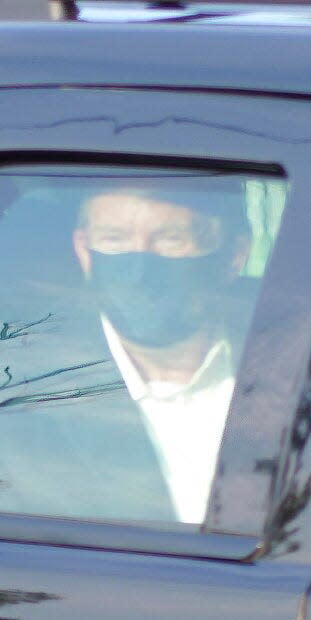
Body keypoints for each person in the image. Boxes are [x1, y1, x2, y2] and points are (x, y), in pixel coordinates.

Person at [73, 185, 252, 523]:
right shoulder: (18, 399)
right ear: (84, 252)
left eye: (170, 239)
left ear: (234, 256)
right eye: (115, 239)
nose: (140, 272)